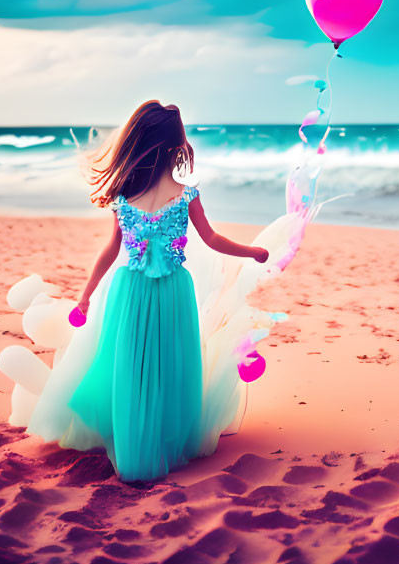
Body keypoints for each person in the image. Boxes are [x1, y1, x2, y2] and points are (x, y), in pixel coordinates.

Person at [17, 100, 269, 481]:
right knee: (166, 365)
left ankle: (135, 435)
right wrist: (252, 251)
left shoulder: (126, 197)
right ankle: (150, 442)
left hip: (131, 291)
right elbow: (212, 239)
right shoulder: (183, 195)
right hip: (169, 293)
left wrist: (87, 295)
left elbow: (112, 251)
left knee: (131, 365)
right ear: (176, 148)